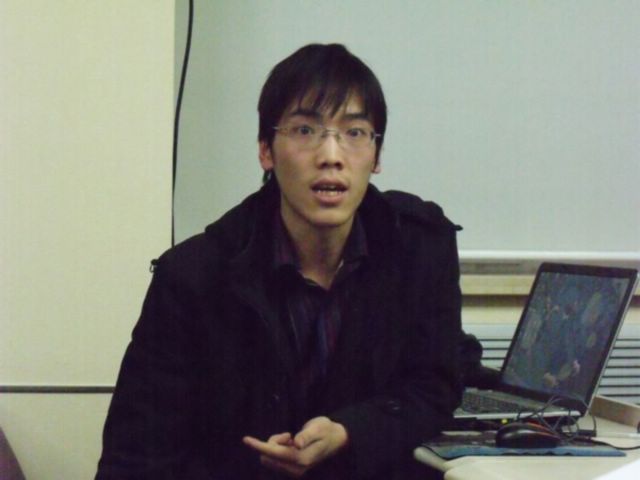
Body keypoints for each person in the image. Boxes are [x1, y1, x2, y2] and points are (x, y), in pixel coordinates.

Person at [96, 43, 463, 480]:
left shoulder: (419, 249)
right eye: (305, 130)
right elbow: (137, 453)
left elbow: (434, 386)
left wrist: (350, 431)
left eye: (354, 132)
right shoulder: (195, 276)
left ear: (377, 155)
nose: (331, 155)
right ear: (266, 151)